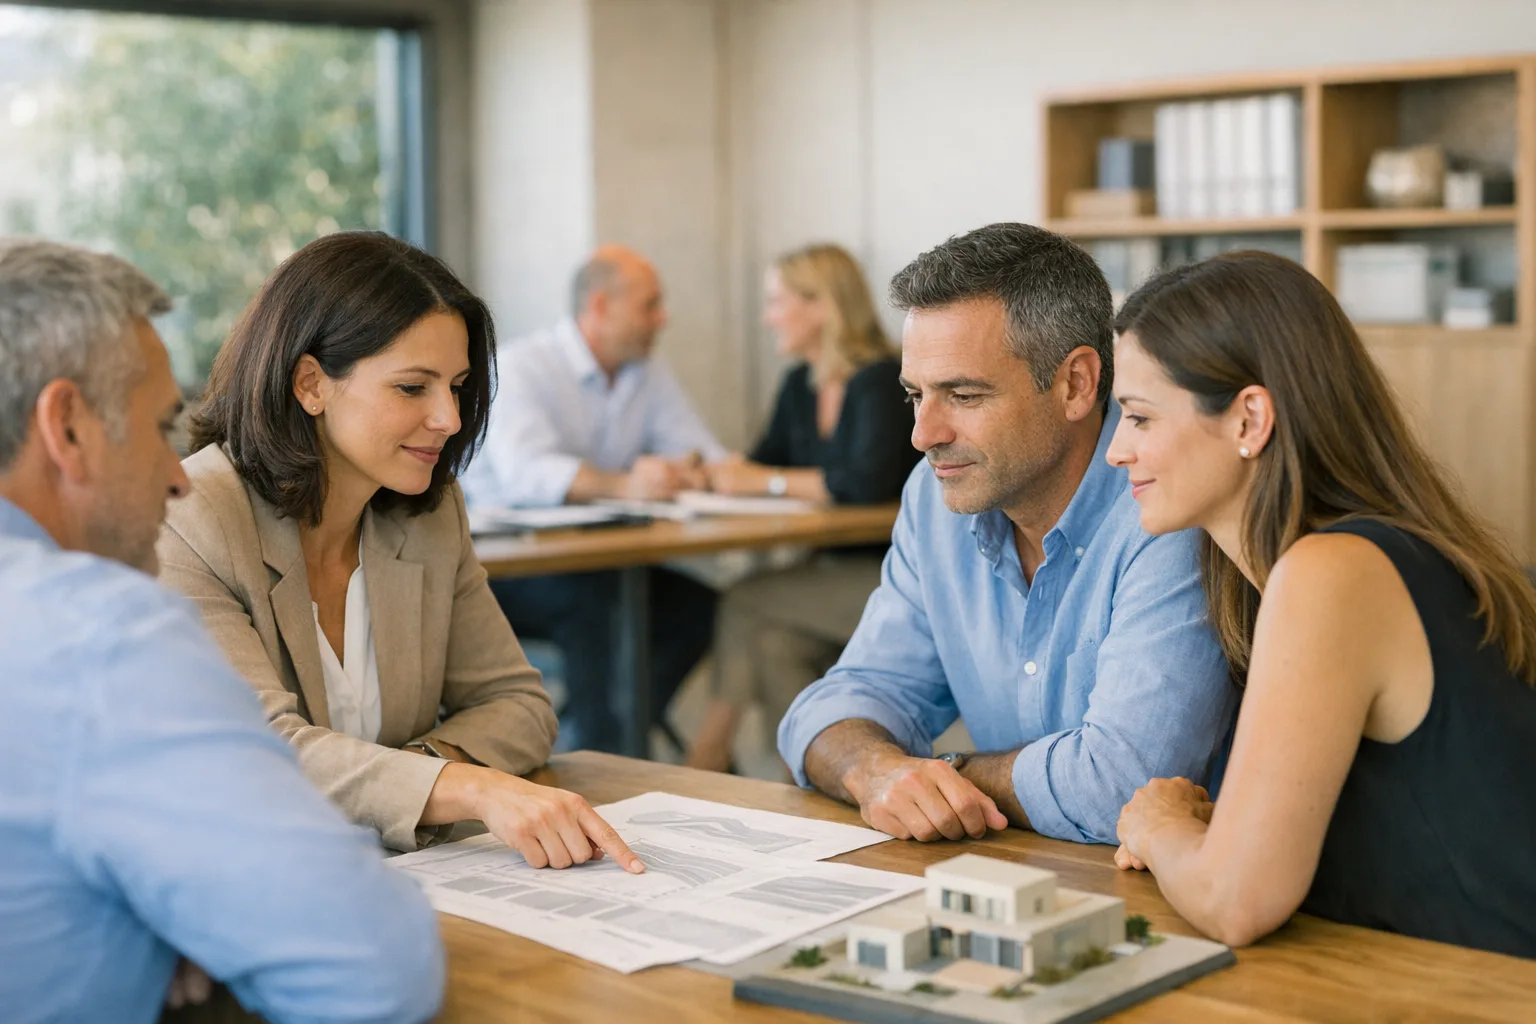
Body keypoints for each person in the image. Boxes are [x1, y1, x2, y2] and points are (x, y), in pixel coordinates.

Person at [0, 238, 443, 1024]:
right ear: (66, 427)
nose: (177, 473)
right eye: (160, 427)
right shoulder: (96, 636)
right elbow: (379, 970)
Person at [157, 232, 644, 874]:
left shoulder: (431, 514)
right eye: (413, 388)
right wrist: (466, 787)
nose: (449, 417)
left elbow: (520, 706)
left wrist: (415, 779)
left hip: (403, 876)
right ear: (311, 384)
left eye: (458, 385)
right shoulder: (194, 519)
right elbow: (257, 753)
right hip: (241, 881)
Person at [1108, 251, 1536, 958]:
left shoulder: (1332, 573)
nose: (1115, 452)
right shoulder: (1312, 570)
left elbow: (1235, 900)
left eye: (1139, 417)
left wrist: (1159, 827)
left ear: (1249, 419)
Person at [777, 222, 1236, 846]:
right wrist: (875, 768)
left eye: (963, 395)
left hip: (1183, 900)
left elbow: (1124, 786)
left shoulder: (1166, 504)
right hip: (1021, 888)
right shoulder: (934, 498)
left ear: (1076, 384)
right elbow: (848, 698)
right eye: (916, 395)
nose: (923, 435)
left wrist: (944, 776)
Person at [461, 244, 723, 754]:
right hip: (502, 569)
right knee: (597, 606)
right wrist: (627, 484)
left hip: (597, 564)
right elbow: (527, 475)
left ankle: (601, 741)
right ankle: (604, 759)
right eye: (650, 305)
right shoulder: (520, 367)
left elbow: (702, 451)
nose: (662, 318)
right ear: (601, 305)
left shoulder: (646, 372)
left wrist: (680, 468)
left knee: (701, 607)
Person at [687, 243, 919, 773]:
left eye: (776, 301)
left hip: (889, 576)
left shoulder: (882, 380)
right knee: (773, 639)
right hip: (827, 571)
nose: (768, 317)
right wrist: (704, 473)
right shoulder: (801, 383)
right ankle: (809, 781)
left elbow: (865, 481)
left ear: (820, 305)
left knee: (746, 600)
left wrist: (763, 483)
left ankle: (706, 756)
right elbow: (764, 461)